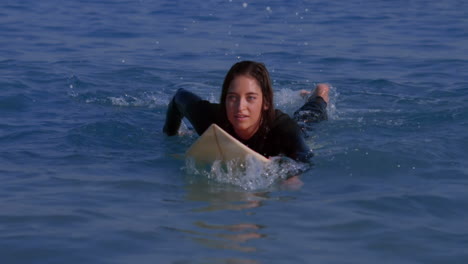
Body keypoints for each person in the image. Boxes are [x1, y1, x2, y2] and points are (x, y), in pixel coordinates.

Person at [163, 61, 329, 163]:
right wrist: (171, 134)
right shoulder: (210, 117)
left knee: (307, 119)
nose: (240, 107)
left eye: (250, 98)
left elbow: (304, 158)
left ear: (266, 102)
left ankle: (318, 94)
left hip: (295, 131)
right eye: (232, 97)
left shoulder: (284, 129)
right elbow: (179, 97)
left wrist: (287, 172)